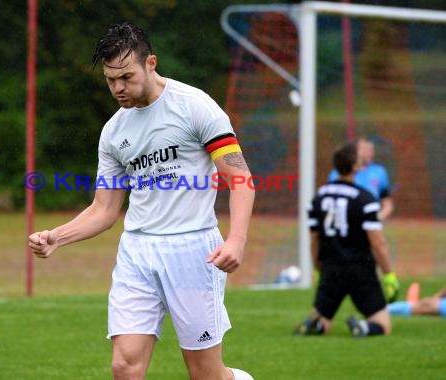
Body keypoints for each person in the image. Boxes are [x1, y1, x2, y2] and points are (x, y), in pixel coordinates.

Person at [28, 23, 255, 380]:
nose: (118, 88)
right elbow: (104, 209)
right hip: (137, 252)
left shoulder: (195, 107)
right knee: (125, 365)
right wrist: (59, 236)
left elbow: (240, 179)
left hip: (193, 250)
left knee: (205, 373)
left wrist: (237, 240)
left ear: (151, 63)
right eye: (109, 79)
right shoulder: (114, 132)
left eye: (126, 76)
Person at [294, 142, 400, 337]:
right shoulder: (365, 199)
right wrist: (388, 274)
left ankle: (316, 326)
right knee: (383, 325)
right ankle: (363, 327)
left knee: (323, 322)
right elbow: (377, 242)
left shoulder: (318, 198)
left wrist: (318, 268)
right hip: (360, 269)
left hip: (330, 268)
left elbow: (314, 239)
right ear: (355, 167)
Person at [328, 137, 394, 221]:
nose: (369, 153)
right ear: (355, 152)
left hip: (369, 222)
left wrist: (375, 219)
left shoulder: (379, 171)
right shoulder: (340, 172)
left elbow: (387, 202)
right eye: (365, 149)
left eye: (371, 150)